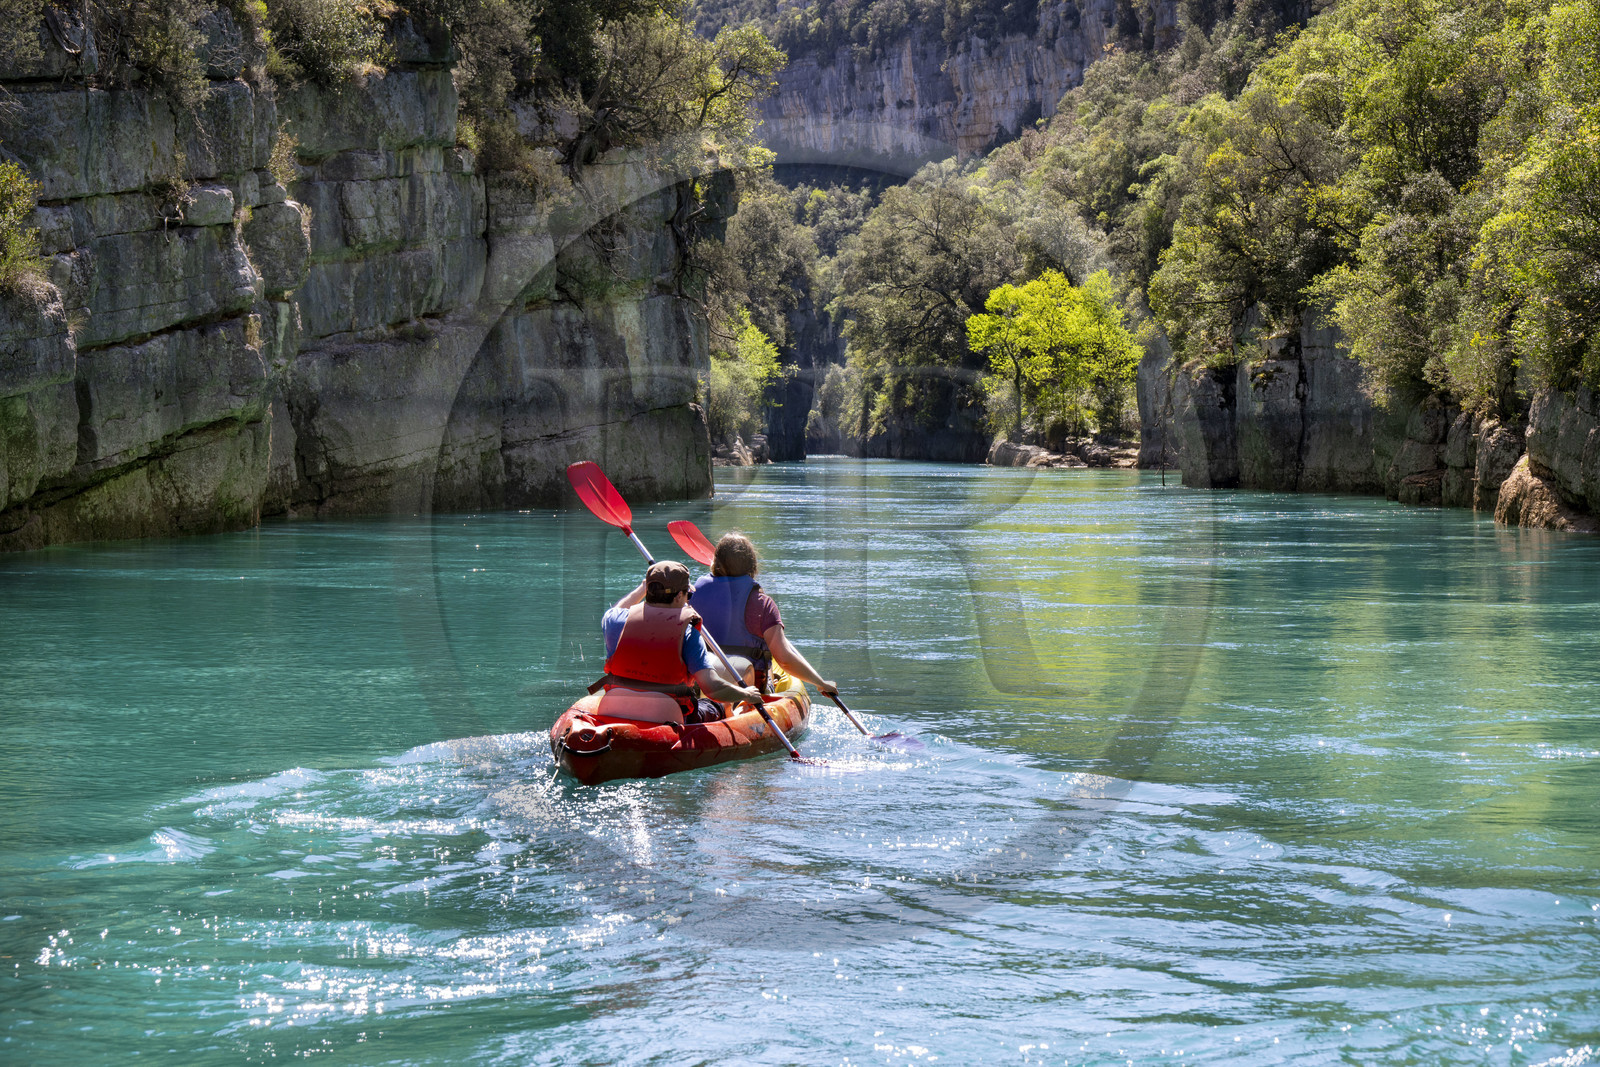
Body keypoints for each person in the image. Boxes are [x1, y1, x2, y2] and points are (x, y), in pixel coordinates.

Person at [598, 560, 763, 724]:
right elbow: (713, 688)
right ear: (678, 596)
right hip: (666, 716)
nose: (688, 600)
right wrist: (747, 694)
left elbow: (616, 610)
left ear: (648, 590)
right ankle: (730, 712)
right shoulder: (688, 634)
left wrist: (642, 589)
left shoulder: (614, 622)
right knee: (718, 703)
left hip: (614, 708)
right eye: (688, 595)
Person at [690, 533, 837, 697]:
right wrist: (821, 683)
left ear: (715, 564)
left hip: (701, 685)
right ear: (752, 567)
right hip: (749, 691)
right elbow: (784, 659)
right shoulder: (763, 604)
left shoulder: (692, 596)